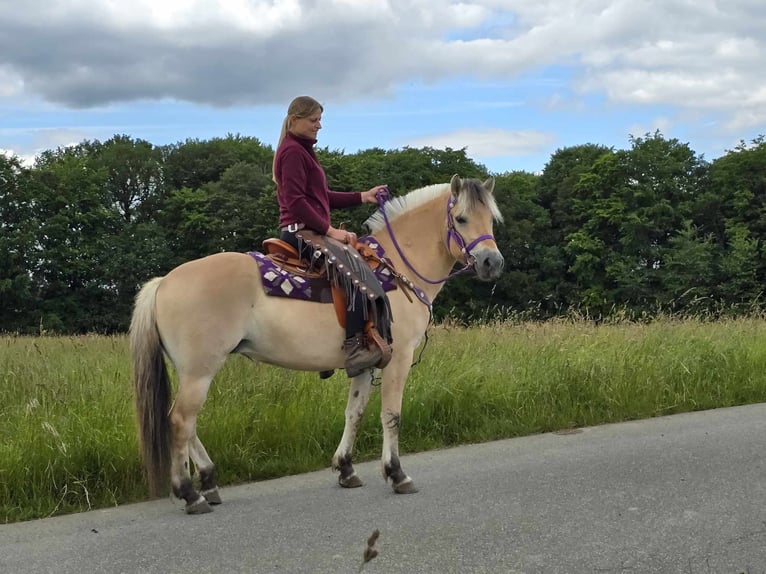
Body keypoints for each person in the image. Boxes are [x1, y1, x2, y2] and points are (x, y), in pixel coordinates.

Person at [272, 95, 389, 377]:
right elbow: (297, 201)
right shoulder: (292, 153)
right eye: (314, 120)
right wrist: (330, 230)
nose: (319, 126)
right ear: (295, 120)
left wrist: (363, 196)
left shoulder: (302, 150)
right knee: (356, 274)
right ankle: (353, 347)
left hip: (309, 231)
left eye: (320, 120)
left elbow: (321, 197)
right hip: (300, 233)